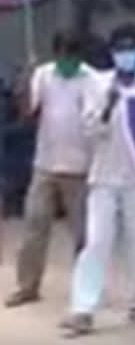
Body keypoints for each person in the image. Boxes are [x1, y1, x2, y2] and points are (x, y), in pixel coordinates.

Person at [60, 24, 135, 336]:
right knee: (97, 242)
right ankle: (83, 309)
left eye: (132, 47)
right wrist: (108, 105)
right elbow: (90, 132)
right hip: (103, 176)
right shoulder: (97, 84)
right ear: (113, 53)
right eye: (121, 48)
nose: (127, 54)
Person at [5, 31, 98, 308]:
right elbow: (26, 111)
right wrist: (25, 79)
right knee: (34, 227)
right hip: (45, 163)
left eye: (72, 57)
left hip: (79, 167)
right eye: (63, 57)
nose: (67, 63)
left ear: (79, 57)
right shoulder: (44, 74)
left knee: (82, 235)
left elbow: (92, 119)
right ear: (56, 54)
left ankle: (86, 293)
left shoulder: (90, 79)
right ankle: (27, 286)